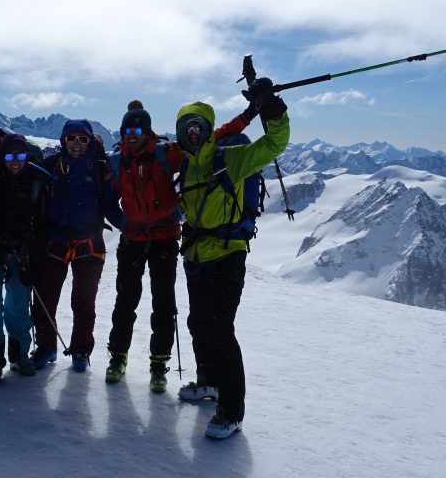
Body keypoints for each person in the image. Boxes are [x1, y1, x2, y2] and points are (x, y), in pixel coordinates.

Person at [174, 79, 290, 439]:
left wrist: (272, 110)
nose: (194, 133)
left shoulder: (231, 159)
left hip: (226, 256)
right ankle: (209, 382)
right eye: (187, 128)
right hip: (196, 255)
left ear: (208, 131)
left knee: (220, 330)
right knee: (198, 323)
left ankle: (232, 411)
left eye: (199, 127)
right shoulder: (188, 164)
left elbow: (274, 144)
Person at [29, 119, 123, 372]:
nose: (77, 144)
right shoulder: (51, 167)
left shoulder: (100, 170)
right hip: (55, 242)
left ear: (90, 141)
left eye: (83, 139)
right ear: (63, 140)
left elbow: (111, 207)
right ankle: (46, 347)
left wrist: (133, 227)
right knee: (45, 300)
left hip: (88, 243)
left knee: (84, 302)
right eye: (72, 138)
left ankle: (81, 350)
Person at [105, 101, 184, 392]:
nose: (132, 134)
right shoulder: (117, 160)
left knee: (164, 302)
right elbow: (107, 195)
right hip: (133, 238)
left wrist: (246, 119)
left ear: (148, 130)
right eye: (127, 129)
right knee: (126, 300)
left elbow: (203, 141)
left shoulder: (166, 153)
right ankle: (118, 357)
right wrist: (122, 221)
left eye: (137, 129)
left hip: (164, 237)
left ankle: (158, 364)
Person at [0, 133, 45, 384]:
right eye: (9, 156)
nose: (15, 161)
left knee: (17, 305)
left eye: (20, 156)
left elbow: (40, 222)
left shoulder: (35, 181)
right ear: (1, 156)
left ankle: (18, 355)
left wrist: (35, 259)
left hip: (19, 250)